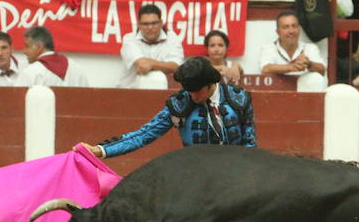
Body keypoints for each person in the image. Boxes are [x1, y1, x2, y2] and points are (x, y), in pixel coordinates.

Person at [81, 55, 255, 158]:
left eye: (197, 91)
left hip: (236, 173)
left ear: (210, 84)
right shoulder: (181, 104)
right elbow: (144, 135)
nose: (193, 97)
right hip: (196, 175)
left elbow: (250, 143)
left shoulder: (238, 99)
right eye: (189, 91)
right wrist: (101, 150)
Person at [259, 10, 327, 92]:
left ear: (299, 29)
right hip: (277, 96)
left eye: (294, 26)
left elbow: (322, 70)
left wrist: (309, 64)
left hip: (305, 97)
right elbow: (265, 69)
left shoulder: (310, 48)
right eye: (285, 27)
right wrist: (292, 67)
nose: (291, 31)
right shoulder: (268, 48)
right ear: (278, 32)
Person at [119, 3, 183, 88]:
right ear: (139, 25)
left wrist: (151, 64)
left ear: (161, 23)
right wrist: (165, 66)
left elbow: (176, 67)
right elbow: (142, 65)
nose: (150, 27)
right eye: (145, 24)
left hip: (163, 93)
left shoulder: (172, 38)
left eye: (154, 23)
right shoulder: (129, 39)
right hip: (129, 92)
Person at [19, 25, 88, 87]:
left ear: (39, 47)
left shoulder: (30, 72)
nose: (24, 51)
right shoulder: (75, 68)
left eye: (27, 46)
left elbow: (16, 99)